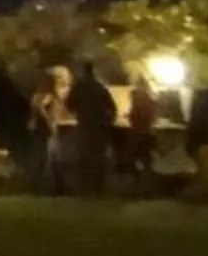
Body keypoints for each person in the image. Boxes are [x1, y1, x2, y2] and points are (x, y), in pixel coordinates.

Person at [67, 62, 119, 196]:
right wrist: (110, 121)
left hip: (84, 124)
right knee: (98, 156)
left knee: (83, 156)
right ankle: (98, 186)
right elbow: (112, 107)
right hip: (99, 125)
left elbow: (69, 104)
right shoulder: (99, 87)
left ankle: (84, 187)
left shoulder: (79, 87)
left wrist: (77, 111)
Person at [126, 76, 162, 179]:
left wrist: (130, 116)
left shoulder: (136, 95)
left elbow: (135, 113)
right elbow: (152, 111)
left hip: (137, 131)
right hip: (146, 131)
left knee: (133, 155)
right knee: (145, 156)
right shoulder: (148, 98)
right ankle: (146, 177)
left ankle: (137, 177)